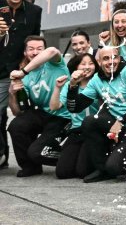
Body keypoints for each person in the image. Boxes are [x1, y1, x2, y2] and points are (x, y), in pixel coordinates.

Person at [67, 45, 126, 182]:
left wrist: (121, 121)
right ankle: (102, 169)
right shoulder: (96, 79)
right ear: (99, 63)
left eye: (114, 57)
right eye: (106, 59)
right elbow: (75, 108)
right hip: (115, 125)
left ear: (119, 58)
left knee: (115, 168)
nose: (111, 61)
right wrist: (72, 86)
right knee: (90, 121)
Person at [7, 37, 71, 176]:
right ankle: (30, 167)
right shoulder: (26, 78)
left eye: (39, 49)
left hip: (62, 116)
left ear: (44, 51)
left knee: (37, 153)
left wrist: (22, 71)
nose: (35, 52)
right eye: (31, 49)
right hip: (43, 114)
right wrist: (12, 94)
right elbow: (18, 112)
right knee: (16, 125)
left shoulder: (55, 64)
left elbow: (53, 50)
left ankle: (73, 157)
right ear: (25, 52)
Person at [0, 0, 41, 169]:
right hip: (0, 72)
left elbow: (34, 43)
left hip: (21, 73)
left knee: (24, 115)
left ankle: (31, 159)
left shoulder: (35, 11)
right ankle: (1, 155)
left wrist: (29, 68)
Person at [49, 53, 99, 179]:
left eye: (91, 63)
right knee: (62, 173)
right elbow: (54, 107)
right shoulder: (69, 85)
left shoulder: (99, 81)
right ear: (76, 67)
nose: (87, 67)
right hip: (76, 131)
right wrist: (57, 87)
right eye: (83, 63)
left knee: (83, 171)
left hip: (94, 131)